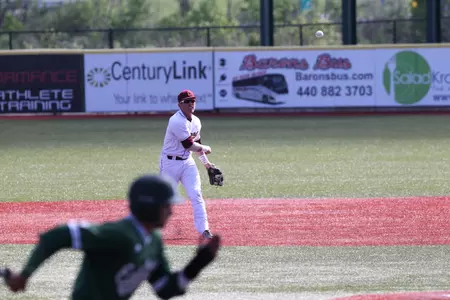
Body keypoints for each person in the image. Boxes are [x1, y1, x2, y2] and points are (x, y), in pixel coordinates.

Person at [3, 174, 221, 300]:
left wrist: (198, 263)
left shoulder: (153, 241)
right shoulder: (117, 234)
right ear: (149, 206)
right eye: (166, 206)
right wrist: (25, 274)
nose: (171, 212)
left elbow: (165, 289)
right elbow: (58, 236)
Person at [159, 89, 216, 240]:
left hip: (187, 163)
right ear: (180, 105)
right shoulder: (176, 121)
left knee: (196, 194)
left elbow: (197, 143)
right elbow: (189, 145)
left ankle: (204, 230)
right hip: (169, 163)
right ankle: (148, 230)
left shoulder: (196, 121)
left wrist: (206, 164)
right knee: (163, 198)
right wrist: (207, 149)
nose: (191, 104)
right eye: (187, 101)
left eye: (193, 100)